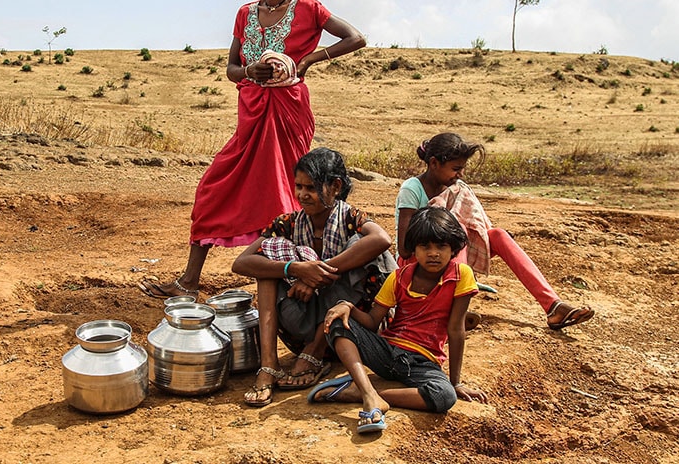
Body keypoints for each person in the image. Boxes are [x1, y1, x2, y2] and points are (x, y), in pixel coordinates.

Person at [139, 0, 366, 300]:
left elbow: (355, 38)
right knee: (214, 189)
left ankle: (297, 280)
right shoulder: (245, 14)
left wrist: (308, 61)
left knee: (285, 191)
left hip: (288, 111)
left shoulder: (309, 8)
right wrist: (250, 71)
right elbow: (231, 69)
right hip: (252, 112)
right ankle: (189, 282)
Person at [231, 148, 393, 407]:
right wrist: (295, 269)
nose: (302, 195)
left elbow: (382, 240)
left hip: (348, 327)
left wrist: (321, 271)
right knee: (266, 268)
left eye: (312, 188)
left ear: (336, 186)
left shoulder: (351, 218)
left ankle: (315, 351)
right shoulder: (288, 223)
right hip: (301, 320)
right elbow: (241, 263)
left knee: (361, 247)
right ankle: (269, 364)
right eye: (299, 186)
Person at [313, 206, 488, 434]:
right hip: (387, 353)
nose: (433, 253)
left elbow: (456, 331)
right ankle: (368, 394)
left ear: (453, 248)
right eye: (425, 246)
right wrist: (348, 307)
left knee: (444, 396)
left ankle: (369, 394)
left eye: (441, 246)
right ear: (414, 248)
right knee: (337, 322)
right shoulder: (398, 277)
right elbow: (372, 322)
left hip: (424, 362)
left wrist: (455, 383)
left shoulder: (460, 275)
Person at [396, 132, 594, 331]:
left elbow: (480, 231)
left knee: (498, 235)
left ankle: (553, 306)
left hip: (450, 258)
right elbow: (404, 250)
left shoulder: (456, 188)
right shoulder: (412, 189)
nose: (460, 175)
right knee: (459, 230)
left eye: (462, 169)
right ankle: (453, 311)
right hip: (417, 261)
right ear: (434, 163)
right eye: (455, 169)